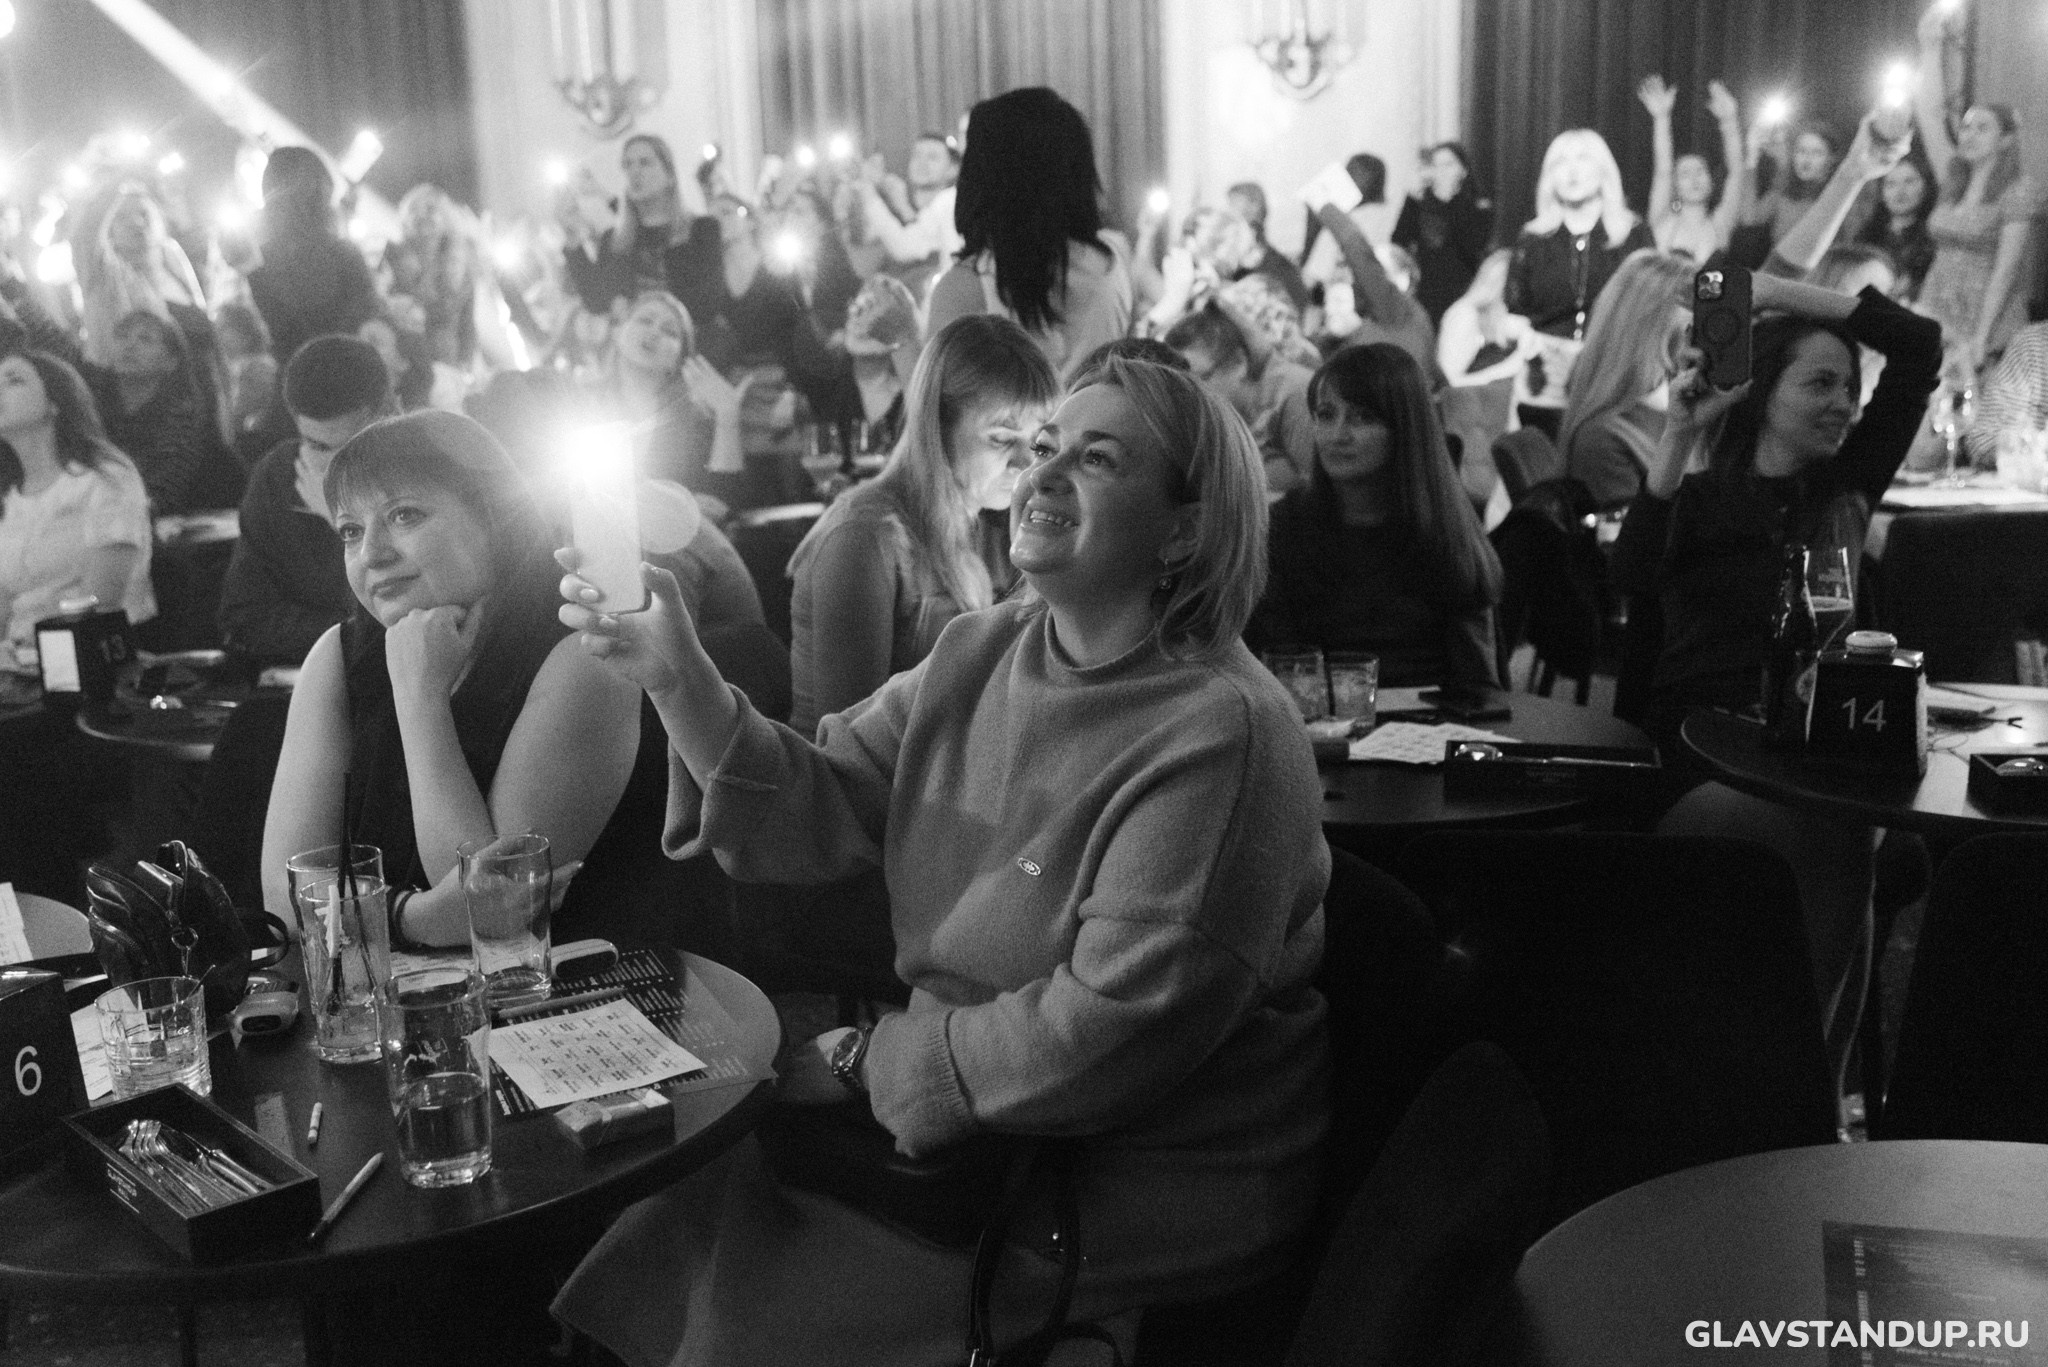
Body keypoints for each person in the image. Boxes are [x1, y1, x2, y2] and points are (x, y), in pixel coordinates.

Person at [552, 356, 1328, 1366]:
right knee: (665, 1219)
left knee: (753, 1313)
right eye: (1042, 447)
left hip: (1128, 1171)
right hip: (965, 1133)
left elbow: (1108, 1035)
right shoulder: (985, 649)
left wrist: (867, 1060)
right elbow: (815, 799)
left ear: (1184, 530)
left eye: (1096, 459)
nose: (1044, 474)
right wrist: (678, 676)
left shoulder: (1222, 732)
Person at [1608, 273, 1940, 1058]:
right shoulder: (1697, 495)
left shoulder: (1844, 489)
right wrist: (1677, 434)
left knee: (1848, 817)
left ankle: (1806, 1082)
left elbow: (1918, 346)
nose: (1843, 403)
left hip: (1812, 758)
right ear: (1763, 394)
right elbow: (1629, 577)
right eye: (1820, 383)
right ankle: (1806, 1080)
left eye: (1849, 386)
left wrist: (1768, 290)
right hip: (1700, 758)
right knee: (1842, 826)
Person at [258, 410, 641, 946]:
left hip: (566, 984)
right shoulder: (338, 655)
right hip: (384, 989)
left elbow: (491, 911)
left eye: (404, 515)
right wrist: (410, 917)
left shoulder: (586, 649)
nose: (371, 553)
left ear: (495, 519)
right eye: (350, 530)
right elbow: (283, 903)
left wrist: (420, 700)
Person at [787, 316, 1056, 734]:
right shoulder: (864, 538)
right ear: (936, 428)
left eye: (1037, 443)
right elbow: (847, 742)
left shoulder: (991, 524)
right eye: (1002, 439)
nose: (1026, 464)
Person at [1251, 343, 1502, 691]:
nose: (1338, 435)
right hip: (1317, 719)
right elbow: (1273, 669)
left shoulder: (1443, 530)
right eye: (1326, 415)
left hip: (1433, 719)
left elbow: (1480, 686)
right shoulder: (1284, 530)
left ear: (1405, 429)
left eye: (1362, 418)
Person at [927, 87, 1132, 383]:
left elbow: (930, 406)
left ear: (984, 177)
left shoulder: (968, 286)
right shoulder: (1112, 263)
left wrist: (902, 339)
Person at [218, 335, 394, 669]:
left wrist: (346, 526)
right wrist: (345, 633)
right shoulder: (280, 477)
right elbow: (243, 618)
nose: (336, 465)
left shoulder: (425, 477)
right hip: (309, 673)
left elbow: (403, 624)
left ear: (388, 416)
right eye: (318, 445)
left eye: (354, 445)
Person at [1913, 1, 2041, 373]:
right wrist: (1930, 46)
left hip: (1986, 312)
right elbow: (1929, 114)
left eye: (1982, 128)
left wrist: (1981, 336)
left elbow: (2007, 269)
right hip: (1936, 303)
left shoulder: (2018, 190)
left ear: (2006, 140)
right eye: (1966, 127)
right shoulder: (1953, 177)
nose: (1968, 135)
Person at [0, 347, 155, 649]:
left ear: (54, 403)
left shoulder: (104, 477)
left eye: (14, 380)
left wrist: (32, 649)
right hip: (17, 657)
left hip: (94, 652)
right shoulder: (8, 494)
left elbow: (102, 601)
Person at [1558, 251, 1695, 509]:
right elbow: (1638, 535)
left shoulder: (1686, 410)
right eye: (1693, 310)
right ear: (1656, 329)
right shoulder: (1602, 439)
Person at [596, 290, 750, 516]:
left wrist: (728, 414)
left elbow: (720, 505)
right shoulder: (582, 401)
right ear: (618, 332)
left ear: (678, 360)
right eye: (645, 320)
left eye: (669, 331)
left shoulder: (693, 420)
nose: (654, 332)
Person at [1506, 129, 1657, 341]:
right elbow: (1515, 312)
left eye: (1583, 159)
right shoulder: (1532, 239)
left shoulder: (1633, 234)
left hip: (1614, 354)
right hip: (1547, 353)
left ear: (1603, 170)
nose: (1572, 171)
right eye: (1561, 162)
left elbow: (1652, 308)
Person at [85, 308, 239, 513]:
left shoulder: (182, 415)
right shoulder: (92, 390)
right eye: (122, 336)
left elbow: (162, 495)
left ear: (170, 362)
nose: (130, 345)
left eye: (145, 339)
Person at [564, 134, 726, 328]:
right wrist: (572, 236)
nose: (634, 172)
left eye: (645, 163)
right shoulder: (614, 239)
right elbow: (596, 302)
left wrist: (639, 310)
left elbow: (709, 303)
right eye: (628, 165)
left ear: (669, 176)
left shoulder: (702, 230)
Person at [246, 148, 380, 372]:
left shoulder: (257, 258)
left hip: (296, 378)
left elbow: (282, 334)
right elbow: (365, 319)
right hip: (346, 374)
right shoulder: (345, 254)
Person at [1165, 302, 1315, 494]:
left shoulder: (1294, 396)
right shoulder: (1225, 418)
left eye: (1200, 381)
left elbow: (1320, 491)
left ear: (1239, 363)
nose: (1190, 398)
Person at [1637, 76, 1749, 264]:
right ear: (1675, 186)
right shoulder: (1663, 221)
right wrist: (1661, 118)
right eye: (1685, 174)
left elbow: (1736, 172)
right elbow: (1663, 172)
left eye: (1700, 171)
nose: (1694, 179)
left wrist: (1729, 120)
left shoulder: (1720, 224)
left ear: (1711, 181)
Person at [1392, 142, 1497, 324]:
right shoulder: (1418, 205)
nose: (1441, 171)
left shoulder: (1479, 207)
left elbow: (1471, 249)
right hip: (1426, 296)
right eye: (1435, 165)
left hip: (1463, 294)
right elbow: (1398, 244)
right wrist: (1411, 200)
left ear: (1463, 171)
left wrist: (1445, 203)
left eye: (1448, 164)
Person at [853, 132, 963, 291]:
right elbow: (863, 263)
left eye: (932, 157)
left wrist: (868, 192)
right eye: (917, 155)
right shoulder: (897, 206)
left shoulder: (951, 203)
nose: (922, 163)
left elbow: (905, 247)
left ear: (953, 169)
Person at [1852, 146, 1939, 302]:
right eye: (1891, 184)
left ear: (1926, 187)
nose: (1900, 191)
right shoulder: (1866, 235)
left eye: (1909, 181)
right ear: (1881, 192)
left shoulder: (1931, 240)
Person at [1744, 122, 1841, 248]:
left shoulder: (1838, 197)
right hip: (1778, 260)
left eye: (1817, 152)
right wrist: (1751, 158)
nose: (1807, 159)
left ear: (1830, 159)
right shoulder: (1783, 191)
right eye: (1801, 151)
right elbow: (1749, 218)